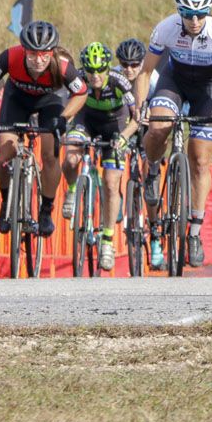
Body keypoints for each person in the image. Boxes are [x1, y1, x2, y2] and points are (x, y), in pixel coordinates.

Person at [133, 0, 212, 270]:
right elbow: (145, 72)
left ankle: (194, 233)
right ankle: (153, 167)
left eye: (200, 14)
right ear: (178, 11)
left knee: (200, 160)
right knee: (159, 125)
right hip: (175, 83)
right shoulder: (166, 28)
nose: (194, 21)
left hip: (208, 88)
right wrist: (140, 104)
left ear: (208, 11)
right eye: (188, 14)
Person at [0, 21, 89, 239]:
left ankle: (46, 208)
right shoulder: (10, 57)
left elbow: (81, 93)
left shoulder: (63, 66)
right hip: (17, 99)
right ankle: (6, 201)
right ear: (24, 50)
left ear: (52, 52)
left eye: (44, 55)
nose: (38, 61)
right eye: (32, 55)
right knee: (3, 156)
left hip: (50, 102)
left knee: (50, 154)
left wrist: (64, 118)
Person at [61, 42, 141, 272]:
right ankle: (73, 190)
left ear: (107, 68)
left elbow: (136, 118)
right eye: (91, 70)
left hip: (114, 126)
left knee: (111, 182)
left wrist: (125, 137)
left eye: (100, 70)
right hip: (85, 120)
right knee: (71, 158)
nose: (95, 75)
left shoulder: (120, 82)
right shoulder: (78, 79)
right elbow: (69, 109)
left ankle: (107, 240)